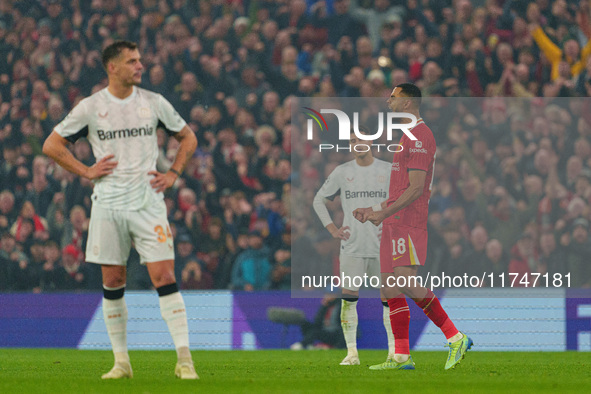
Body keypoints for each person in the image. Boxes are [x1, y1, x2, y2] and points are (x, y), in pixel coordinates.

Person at [42, 41, 199, 380]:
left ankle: (185, 360)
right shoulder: (91, 107)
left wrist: (173, 173)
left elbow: (188, 137)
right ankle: (121, 363)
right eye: (132, 61)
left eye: (140, 59)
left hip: (147, 204)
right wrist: (86, 171)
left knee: (165, 277)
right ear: (112, 67)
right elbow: (51, 145)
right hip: (109, 205)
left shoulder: (154, 103)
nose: (139, 66)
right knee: (113, 281)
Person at [354, 83, 472, 371]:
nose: (388, 101)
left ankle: (455, 336)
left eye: (393, 97)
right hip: (394, 218)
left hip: (408, 219)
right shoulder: (406, 136)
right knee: (388, 289)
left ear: (407, 103)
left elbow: (417, 188)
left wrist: (385, 213)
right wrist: (376, 210)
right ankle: (401, 356)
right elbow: (400, 188)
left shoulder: (420, 136)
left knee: (404, 281)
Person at [313, 127, 395, 366]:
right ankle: (351, 353)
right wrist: (332, 230)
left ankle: (393, 352)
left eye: (360, 139)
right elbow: (319, 200)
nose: (356, 143)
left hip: (382, 244)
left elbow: (400, 200)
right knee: (349, 299)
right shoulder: (342, 172)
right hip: (352, 246)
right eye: (352, 140)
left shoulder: (387, 170)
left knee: (389, 299)